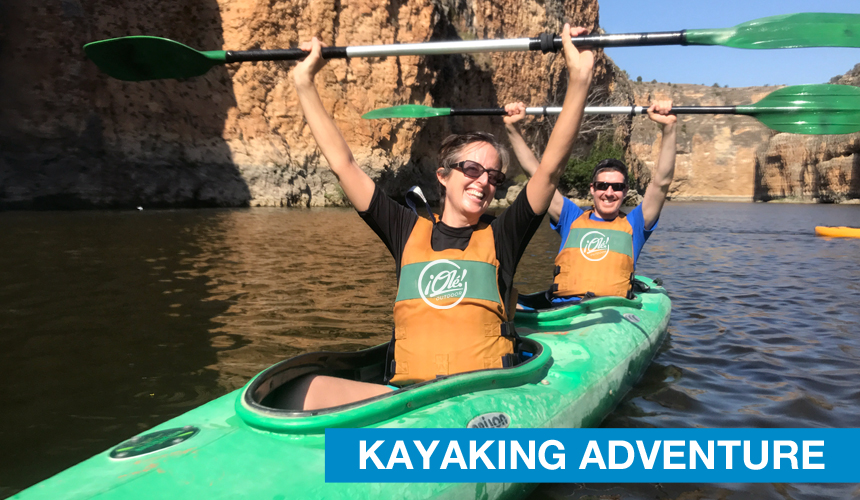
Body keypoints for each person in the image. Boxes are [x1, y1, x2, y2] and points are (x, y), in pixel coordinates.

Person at [284, 25, 594, 410]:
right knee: (300, 390)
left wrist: (578, 79)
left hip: (481, 399)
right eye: (472, 170)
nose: (484, 182)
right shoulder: (403, 229)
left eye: (494, 176)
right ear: (443, 176)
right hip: (409, 400)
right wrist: (304, 82)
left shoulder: (503, 236)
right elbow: (344, 164)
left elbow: (549, 169)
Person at [503, 98, 676, 304]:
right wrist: (512, 129)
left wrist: (669, 128)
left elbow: (661, 183)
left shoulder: (635, 224)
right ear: (592, 189)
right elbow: (538, 175)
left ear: (625, 192)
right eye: (602, 185)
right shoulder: (570, 217)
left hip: (611, 315)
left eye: (617, 187)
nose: (609, 192)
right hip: (563, 311)